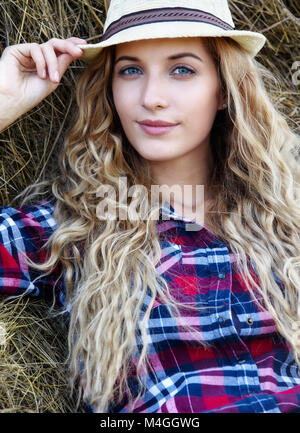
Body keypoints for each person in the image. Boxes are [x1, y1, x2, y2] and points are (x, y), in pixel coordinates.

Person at [0, 0, 299, 414]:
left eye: (182, 70)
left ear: (224, 90)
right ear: (110, 88)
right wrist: (2, 102)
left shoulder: (288, 215)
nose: (152, 98)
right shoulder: (77, 225)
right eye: (131, 70)